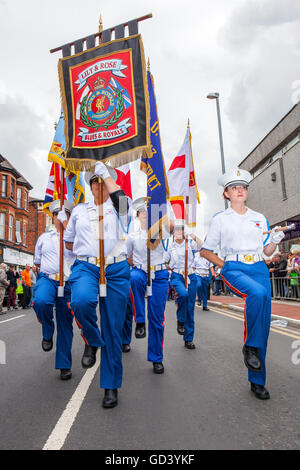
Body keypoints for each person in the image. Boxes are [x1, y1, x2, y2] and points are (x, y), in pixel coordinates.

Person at [201, 168, 285, 400]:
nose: (240, 190)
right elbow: (206, 251)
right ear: (226, 194)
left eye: (243, 187)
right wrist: (224, 265)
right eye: (234, 187)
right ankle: (249, 347)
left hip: (259, 267)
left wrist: (276, 240)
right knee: (257, 294)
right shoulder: (220, 219)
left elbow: (267, 251)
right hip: (234, 267)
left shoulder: (259, 218)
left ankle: (257, 380)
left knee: (264, 324)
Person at [62, 162, 132, 408]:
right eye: (95, 181)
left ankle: (110, 386)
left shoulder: (120, 206)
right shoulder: (80, 211)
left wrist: (107, 175)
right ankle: (92, 339)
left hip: (115, 269)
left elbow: (122, 203)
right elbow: (69, 243)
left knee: (113, 328)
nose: (99, 184)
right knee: (80, 302)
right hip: (87, 267)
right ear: (89, 186)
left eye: (103, 180)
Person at [126, 197, 173, 374]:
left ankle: (156, 358)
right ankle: (139, 320)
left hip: (159, 274)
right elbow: (125, 254)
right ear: (137, 215)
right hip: (140, 272)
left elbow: (171, 227)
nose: (145, 214)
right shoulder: (133, 236)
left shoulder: (162, 231)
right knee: (134, 278)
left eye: (148, 211)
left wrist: (162, 207)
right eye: (142, 212)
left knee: (157, 318)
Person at [33, 200, 75, 381]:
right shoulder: (44, 238)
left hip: (67, 284)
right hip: (47, 279)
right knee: (41, 302)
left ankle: (64, 365)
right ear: (53, 217)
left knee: (65, 324)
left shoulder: (74, 239)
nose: (60, 217)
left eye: (64, 213)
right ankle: (47, 331)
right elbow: (37, 262)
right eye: (57, 214)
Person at [164, 220, 203, 349]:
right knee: (183, 295)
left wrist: (191, 234)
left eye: (181, 229)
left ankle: (188, 338)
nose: (178, 232)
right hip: (177, 276)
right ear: (173, 233)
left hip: (191, 276)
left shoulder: (190, 243)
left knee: (190, 308)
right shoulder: (170, 246)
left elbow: (202, 245)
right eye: (176, 229)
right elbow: (163, 261)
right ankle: (180, 319)